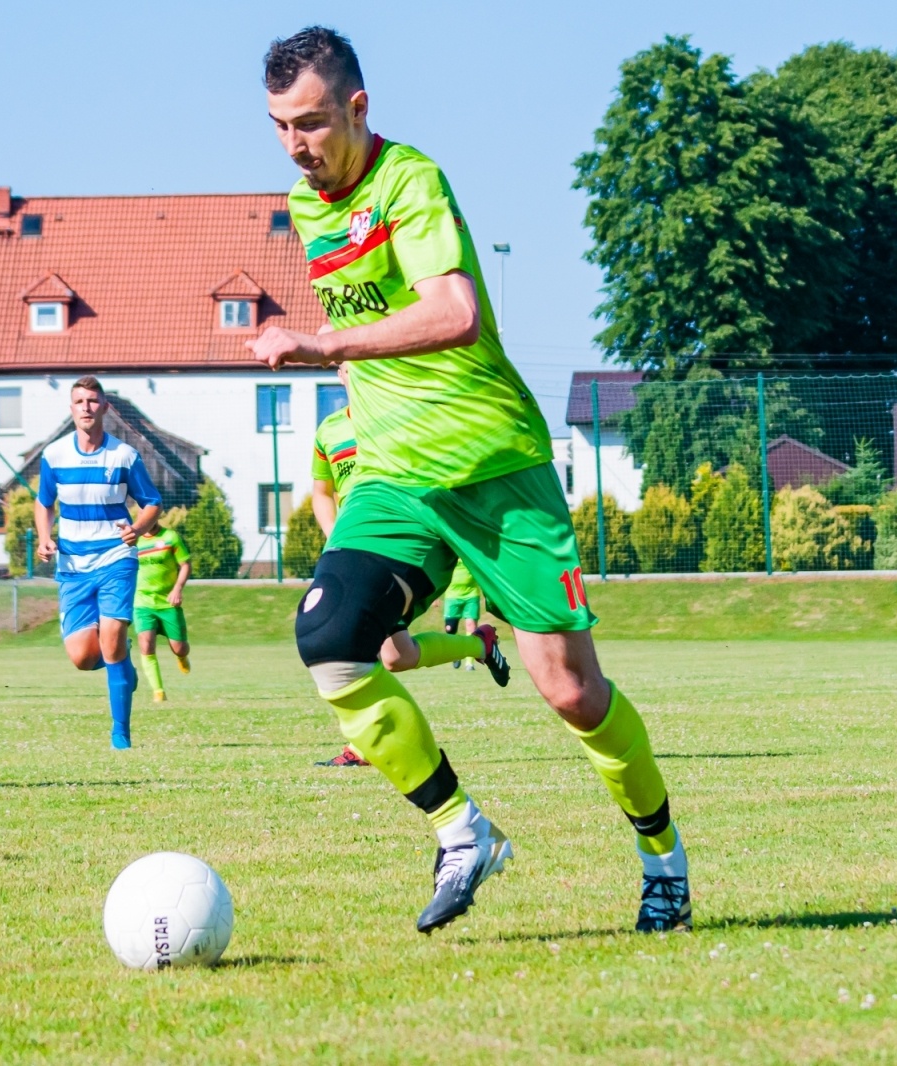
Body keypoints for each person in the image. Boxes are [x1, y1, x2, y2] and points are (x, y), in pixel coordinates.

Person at [251, 29, 691, 934]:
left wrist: (324, 343)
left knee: (571, 692)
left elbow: (452, 313)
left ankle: (663, 859)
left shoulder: (410, 181)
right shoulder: (305, 204)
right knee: (331, 641)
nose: (298, 145)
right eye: (280, 127)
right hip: (395, 476)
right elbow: (368, 331)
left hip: (496, 471)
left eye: (314, 122)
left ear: (359, 109)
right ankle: (462, 832)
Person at [310, 362, 508, 769]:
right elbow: (321, 492)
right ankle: (480, 645)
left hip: (401, 548)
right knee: (397, 656)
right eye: (345, 365)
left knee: (345, 637)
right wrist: (336, 539)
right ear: (340, 374)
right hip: (354, 552)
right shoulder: (329, 430)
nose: (353, 371)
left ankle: (363, 746)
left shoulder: (401, 420)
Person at [34, 377, 162, 749]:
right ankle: (123, 669)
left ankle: (120, 732)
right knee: (82, 657)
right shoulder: (54, 455)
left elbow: (152, 502)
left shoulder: (124, 455)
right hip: (73, 564)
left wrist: (137, 528)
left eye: (93, 401)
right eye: (79, 401)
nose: (86, 407)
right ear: (71, 409)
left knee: (111, 642)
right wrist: (44, 537)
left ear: (105, 408)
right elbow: (44, 502)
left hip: (115, 558)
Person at [134, 524, 191, 702]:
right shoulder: (134, 540)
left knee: (179, 647)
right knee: (146, 645)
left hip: (167, 602)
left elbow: (185, 564)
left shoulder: (170, 537)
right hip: (142, 602)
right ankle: (158, 691)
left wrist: (177, 589)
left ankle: (181, 656)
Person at [442, 560, 483, 670]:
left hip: (471, 594)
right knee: (450, 629)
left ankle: (469, 663)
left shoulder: (470, 551)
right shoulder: (450, 550)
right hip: (452, 596)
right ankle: (456, 654)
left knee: (471, 626)